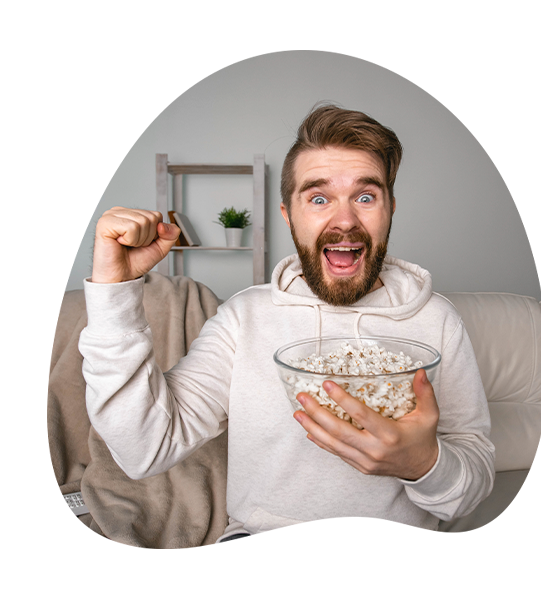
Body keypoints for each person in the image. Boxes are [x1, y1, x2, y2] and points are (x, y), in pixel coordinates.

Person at [79, 104, 495, 542]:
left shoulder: (436, 320)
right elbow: (144, 448)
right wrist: (113, 292)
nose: (345, 220)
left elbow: (471, 484)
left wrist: (424, 465)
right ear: (288, 215)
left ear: (390, 208)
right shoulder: (245, 317)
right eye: (318, 199)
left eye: (365, 197)